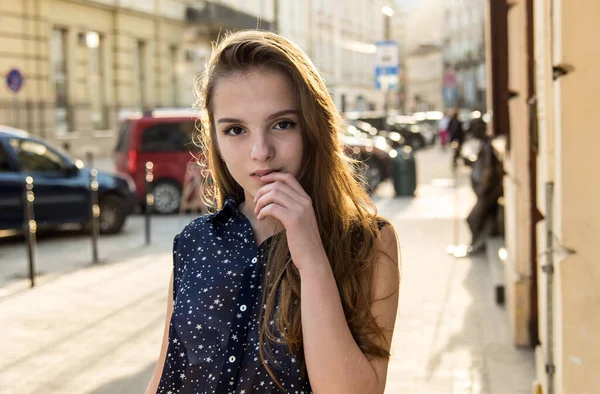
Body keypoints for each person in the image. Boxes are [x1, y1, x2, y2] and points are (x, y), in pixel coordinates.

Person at [145, 30, 401, 394]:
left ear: (313, 127)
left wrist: (311, 256)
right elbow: (165, 374)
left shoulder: (366, 241)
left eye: (282, 124)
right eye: (235, 130)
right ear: (214, 139)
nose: (260, 151)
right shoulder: (194, 242)